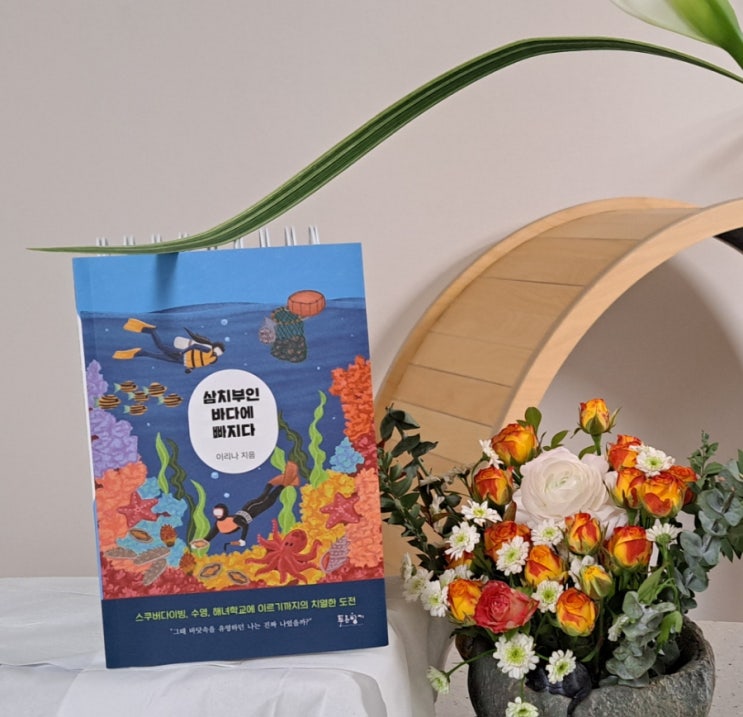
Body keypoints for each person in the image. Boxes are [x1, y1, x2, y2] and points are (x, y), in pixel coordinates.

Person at [199, 462, 299, 551]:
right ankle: (285, 481)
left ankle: (283, 481)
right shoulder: (218, 525)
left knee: (267, 499)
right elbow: (210, 536)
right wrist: (202, 542)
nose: (217, 515)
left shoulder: (235, 520)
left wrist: (242, 540)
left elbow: (245, 526)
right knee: (268, 499)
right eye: (215, 513)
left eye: (219, 512)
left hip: (251, 508)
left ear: (225, 511)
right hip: (250, 509)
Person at [113, 318, 224, 373]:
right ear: (214, 347)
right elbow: (194, 347)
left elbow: (197, 362)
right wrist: (182, 352)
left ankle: (140, 352)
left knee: (157, 356)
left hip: (180, 361)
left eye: (219, 353)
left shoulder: (210, 360)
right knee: (160, 346)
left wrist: (190, 368)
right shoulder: (207, 350)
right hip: (181, 355)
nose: (217, 353)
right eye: (218, 350)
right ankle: (151, 331)